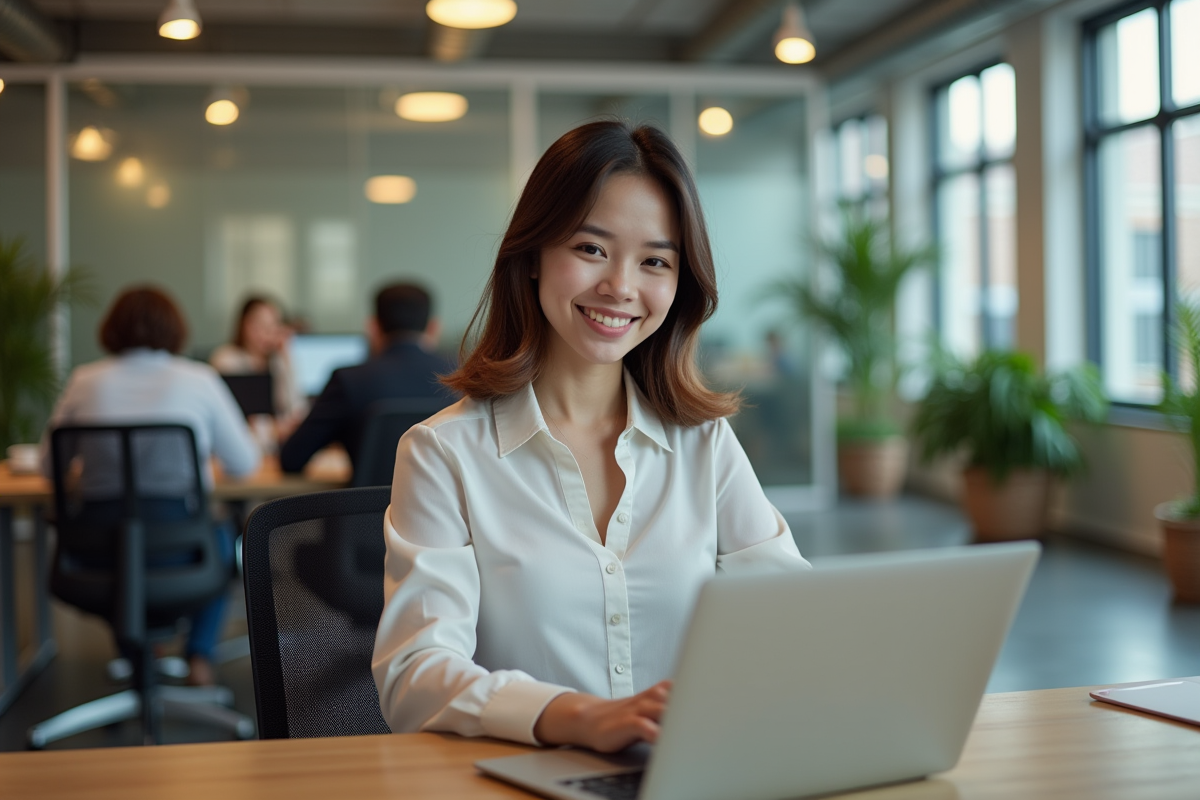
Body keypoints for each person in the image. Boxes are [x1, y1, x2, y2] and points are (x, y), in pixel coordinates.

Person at [372, 121, 810, 753]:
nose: (621, 287)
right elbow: (415, 676)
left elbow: (793, 616)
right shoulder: (444, 453)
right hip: (527, 779)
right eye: (591, 249)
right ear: (531, 256)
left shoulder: (703, 444)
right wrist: (577, 716)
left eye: (655, 261)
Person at [41, 286, 260, 686]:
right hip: (183, 553)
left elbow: (48, 467)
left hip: (93, 557)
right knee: (226, 537)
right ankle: (199, 653)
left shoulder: (84, 381)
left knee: (122, 557)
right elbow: (245, 464)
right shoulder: (199, 380)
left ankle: (138, 655)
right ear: (175, 329)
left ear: (112, 329)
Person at [279, 282, 456, 475]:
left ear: (373, 327)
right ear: (433, 328)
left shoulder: (348, 380)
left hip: (371, 505)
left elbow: (291, 459)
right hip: (442, 505)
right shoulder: (459, 379)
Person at [209, 295, 306, 435]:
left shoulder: (277, 361)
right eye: (261, 326)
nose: (268, 333)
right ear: (245, 325)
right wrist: (275, 429)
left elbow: (297, 409)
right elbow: (238, 420)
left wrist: (287, 359)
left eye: (273, 326)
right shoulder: (227, 360)